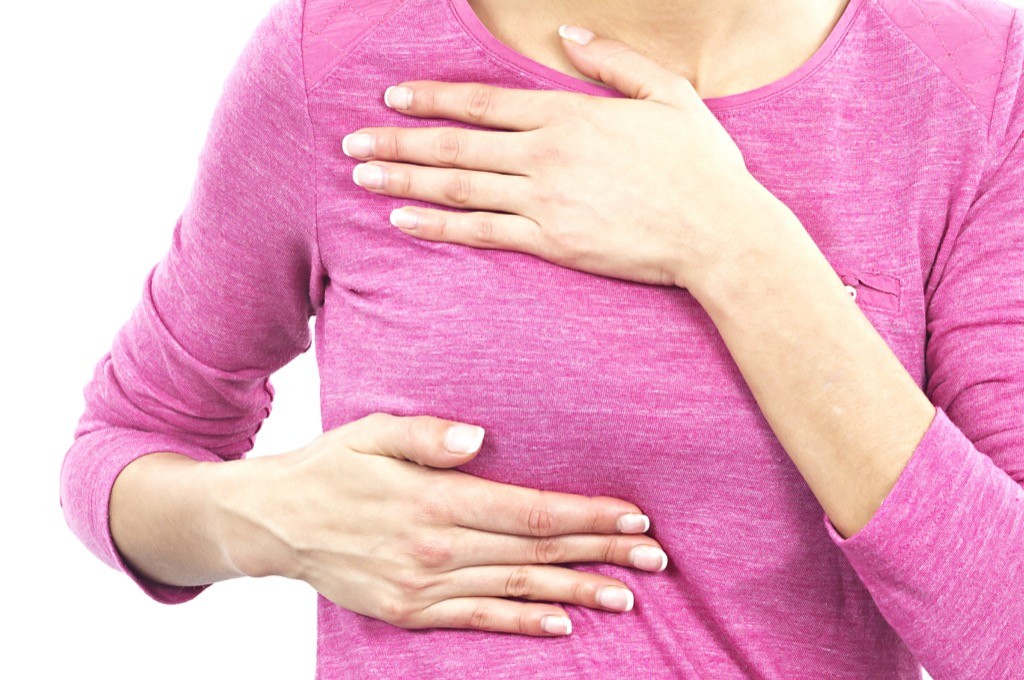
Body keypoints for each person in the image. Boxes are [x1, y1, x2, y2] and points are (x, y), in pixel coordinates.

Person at [59, 0, 1024, 677]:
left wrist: (735, 246)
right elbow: (122, 446)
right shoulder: (338, 61)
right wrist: (265, 520)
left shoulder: (974, 87)